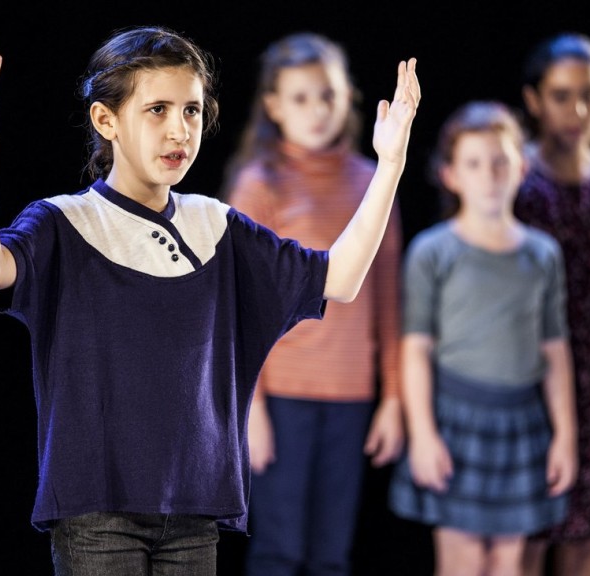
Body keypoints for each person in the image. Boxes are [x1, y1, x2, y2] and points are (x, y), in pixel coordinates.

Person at [0, 26, 420, 575]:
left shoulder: (215, 225)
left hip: (193, 510)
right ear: (106, 121)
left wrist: (390, 166)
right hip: (98, 510)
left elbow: (341, 278)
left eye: (191, 111)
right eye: (158, 110)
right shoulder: (65, 223)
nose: (179, 130)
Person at [219, 32, 404, 576]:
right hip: (283, 400)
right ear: (273, 106)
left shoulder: (372, 183)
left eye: (328, 94)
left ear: (348, 96)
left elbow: (387, 299)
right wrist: (252, 406)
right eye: (301, 98)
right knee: (278, 550)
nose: (318, 109)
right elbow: (239, 307)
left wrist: (393, 397)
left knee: (331, 554)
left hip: (350, 396)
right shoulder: (260, 185)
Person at [388, 100, 577, 576]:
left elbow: (555, 351)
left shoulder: (543, 253)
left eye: (500, 161)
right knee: (463, 561)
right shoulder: (434, 251)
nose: (490, 174)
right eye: (474, 163)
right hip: (457, 421)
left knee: (511, 563)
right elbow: (415, 350)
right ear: (452, 176)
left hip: (521, 423)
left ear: (522, 167)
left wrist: (566, 438)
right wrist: (424, 434)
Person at [513, 32, 590, 576]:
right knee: (527, 534)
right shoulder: (512, 178)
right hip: (528, 371)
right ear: (534, 99)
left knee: (586, 533)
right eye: (561, 95)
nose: (578, 109)